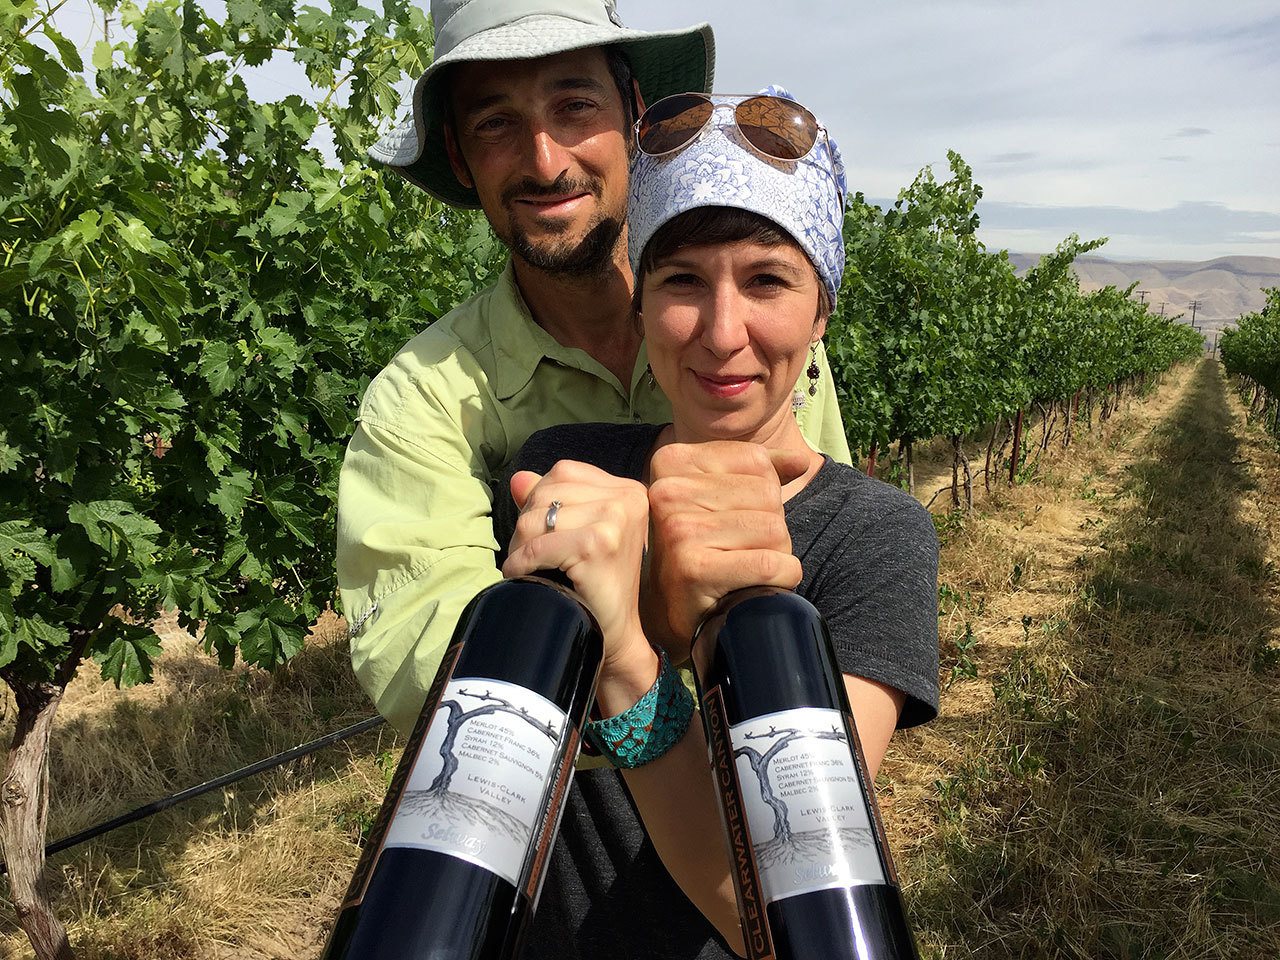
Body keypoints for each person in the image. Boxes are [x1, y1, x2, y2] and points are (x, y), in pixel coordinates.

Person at [493, 87, 940, 958]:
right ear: (641, 305)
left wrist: (627, 663)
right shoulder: (565, 467)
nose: (722, 332)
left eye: (768, 279)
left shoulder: (874, 535)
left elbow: (772, 905)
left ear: (822, 311)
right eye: (683, 282)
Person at [337, 0, 854, 736]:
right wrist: (647, 636)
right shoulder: (420, 403)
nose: (546, 161)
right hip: (551, 834)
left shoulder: (768, 349)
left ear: (635, 113)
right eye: (495, 123)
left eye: (574, 105)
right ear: (458, 156)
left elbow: (827, 551)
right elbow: (433, 668)